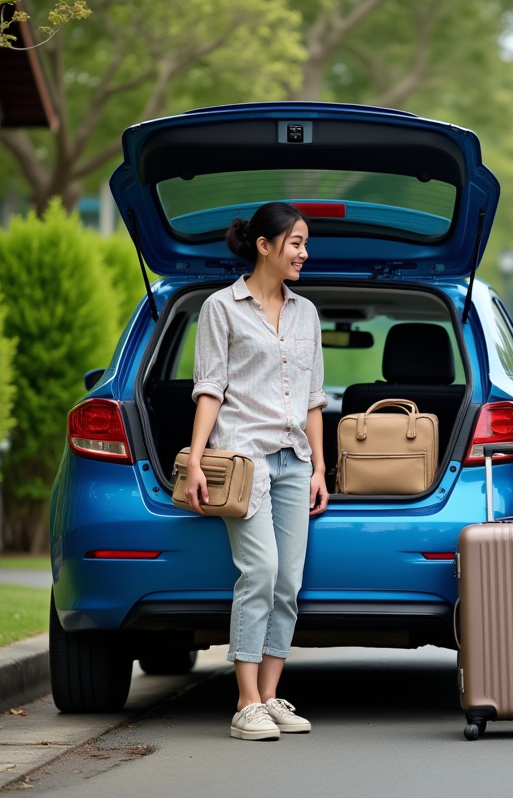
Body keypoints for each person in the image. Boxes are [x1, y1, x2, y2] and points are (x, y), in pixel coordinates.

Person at [186, 202, 330, 741]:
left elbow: (315, 398)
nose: (304, 253)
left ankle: (270, 696)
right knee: (261, 572)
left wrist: (318, 467)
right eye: (296, 243)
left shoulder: (306, 313)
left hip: (295, 459)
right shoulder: (220, 308)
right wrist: (198, 459)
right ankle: (245, 701)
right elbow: (210, 389)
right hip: (242, 459)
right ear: (264, 246)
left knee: (289, 582)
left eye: (305, 243)